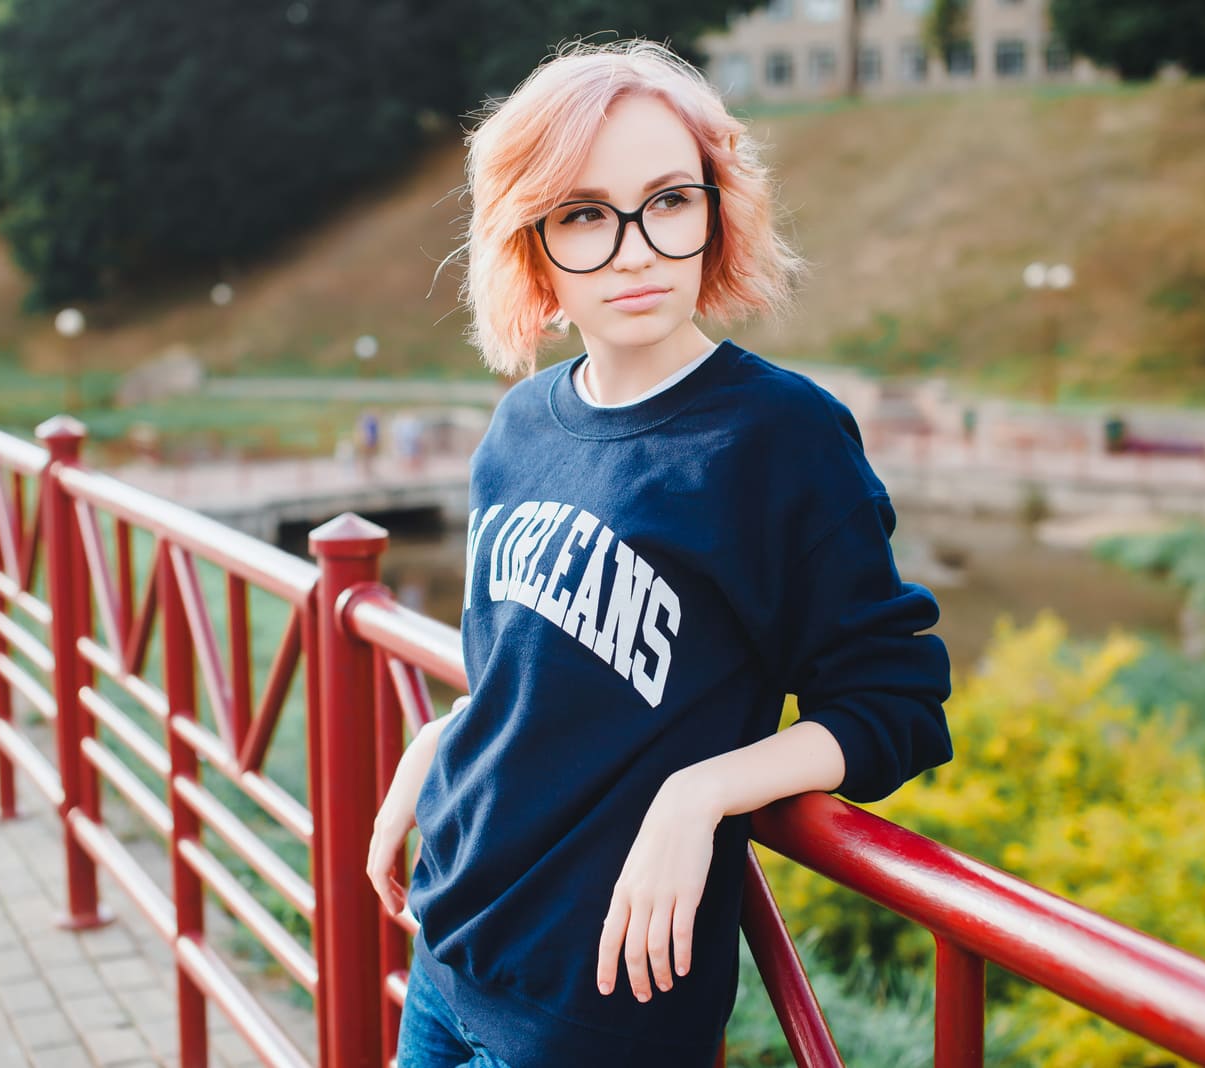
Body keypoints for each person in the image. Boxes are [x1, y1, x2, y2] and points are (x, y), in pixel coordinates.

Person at [366, 39, 953, 1068]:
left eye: (668, 200)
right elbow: (544, 667)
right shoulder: (517, 428)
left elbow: (893, 706)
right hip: (446, 945)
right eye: (584, 214)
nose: (633, 248)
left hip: (597, 1009)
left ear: (715, 210)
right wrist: (447, 736)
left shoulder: (779, 437)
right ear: (533, 242)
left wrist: (705, 789)